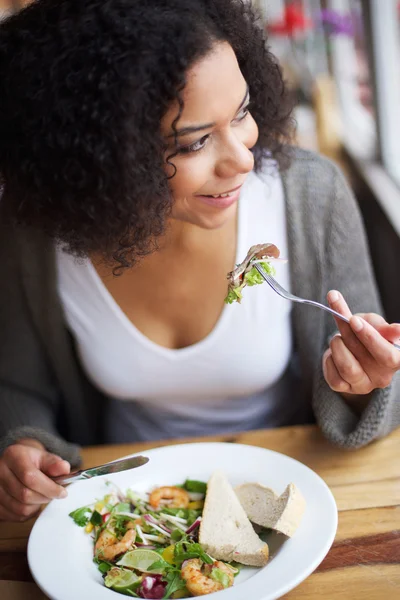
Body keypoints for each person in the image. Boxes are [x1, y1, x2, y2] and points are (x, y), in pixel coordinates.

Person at [0, 0, 399, 523]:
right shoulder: (34, 230)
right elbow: (18, 385)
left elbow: (379, 402)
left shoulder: (311, 194)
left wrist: (361, 385)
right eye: (194, 142)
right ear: (103, 156)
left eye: (242, 113)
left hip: (278, 490)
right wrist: (23, 446)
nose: (243, 158)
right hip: (122, 504)